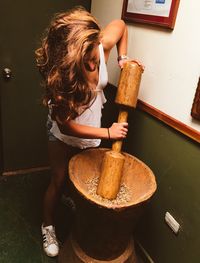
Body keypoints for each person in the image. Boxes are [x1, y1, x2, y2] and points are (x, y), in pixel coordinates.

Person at [35, 6, 129, 257]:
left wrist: (123, 59)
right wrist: (108, 133)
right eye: (87, 58)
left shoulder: (98, 47)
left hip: (92, 133)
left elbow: (120, 25)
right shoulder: (59, 82)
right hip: (63, 135)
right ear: (69, 57)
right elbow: (67, 125)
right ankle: (48, 224)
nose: (94, 60)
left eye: (96, 53)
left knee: (82, 178)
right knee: (59, 178)